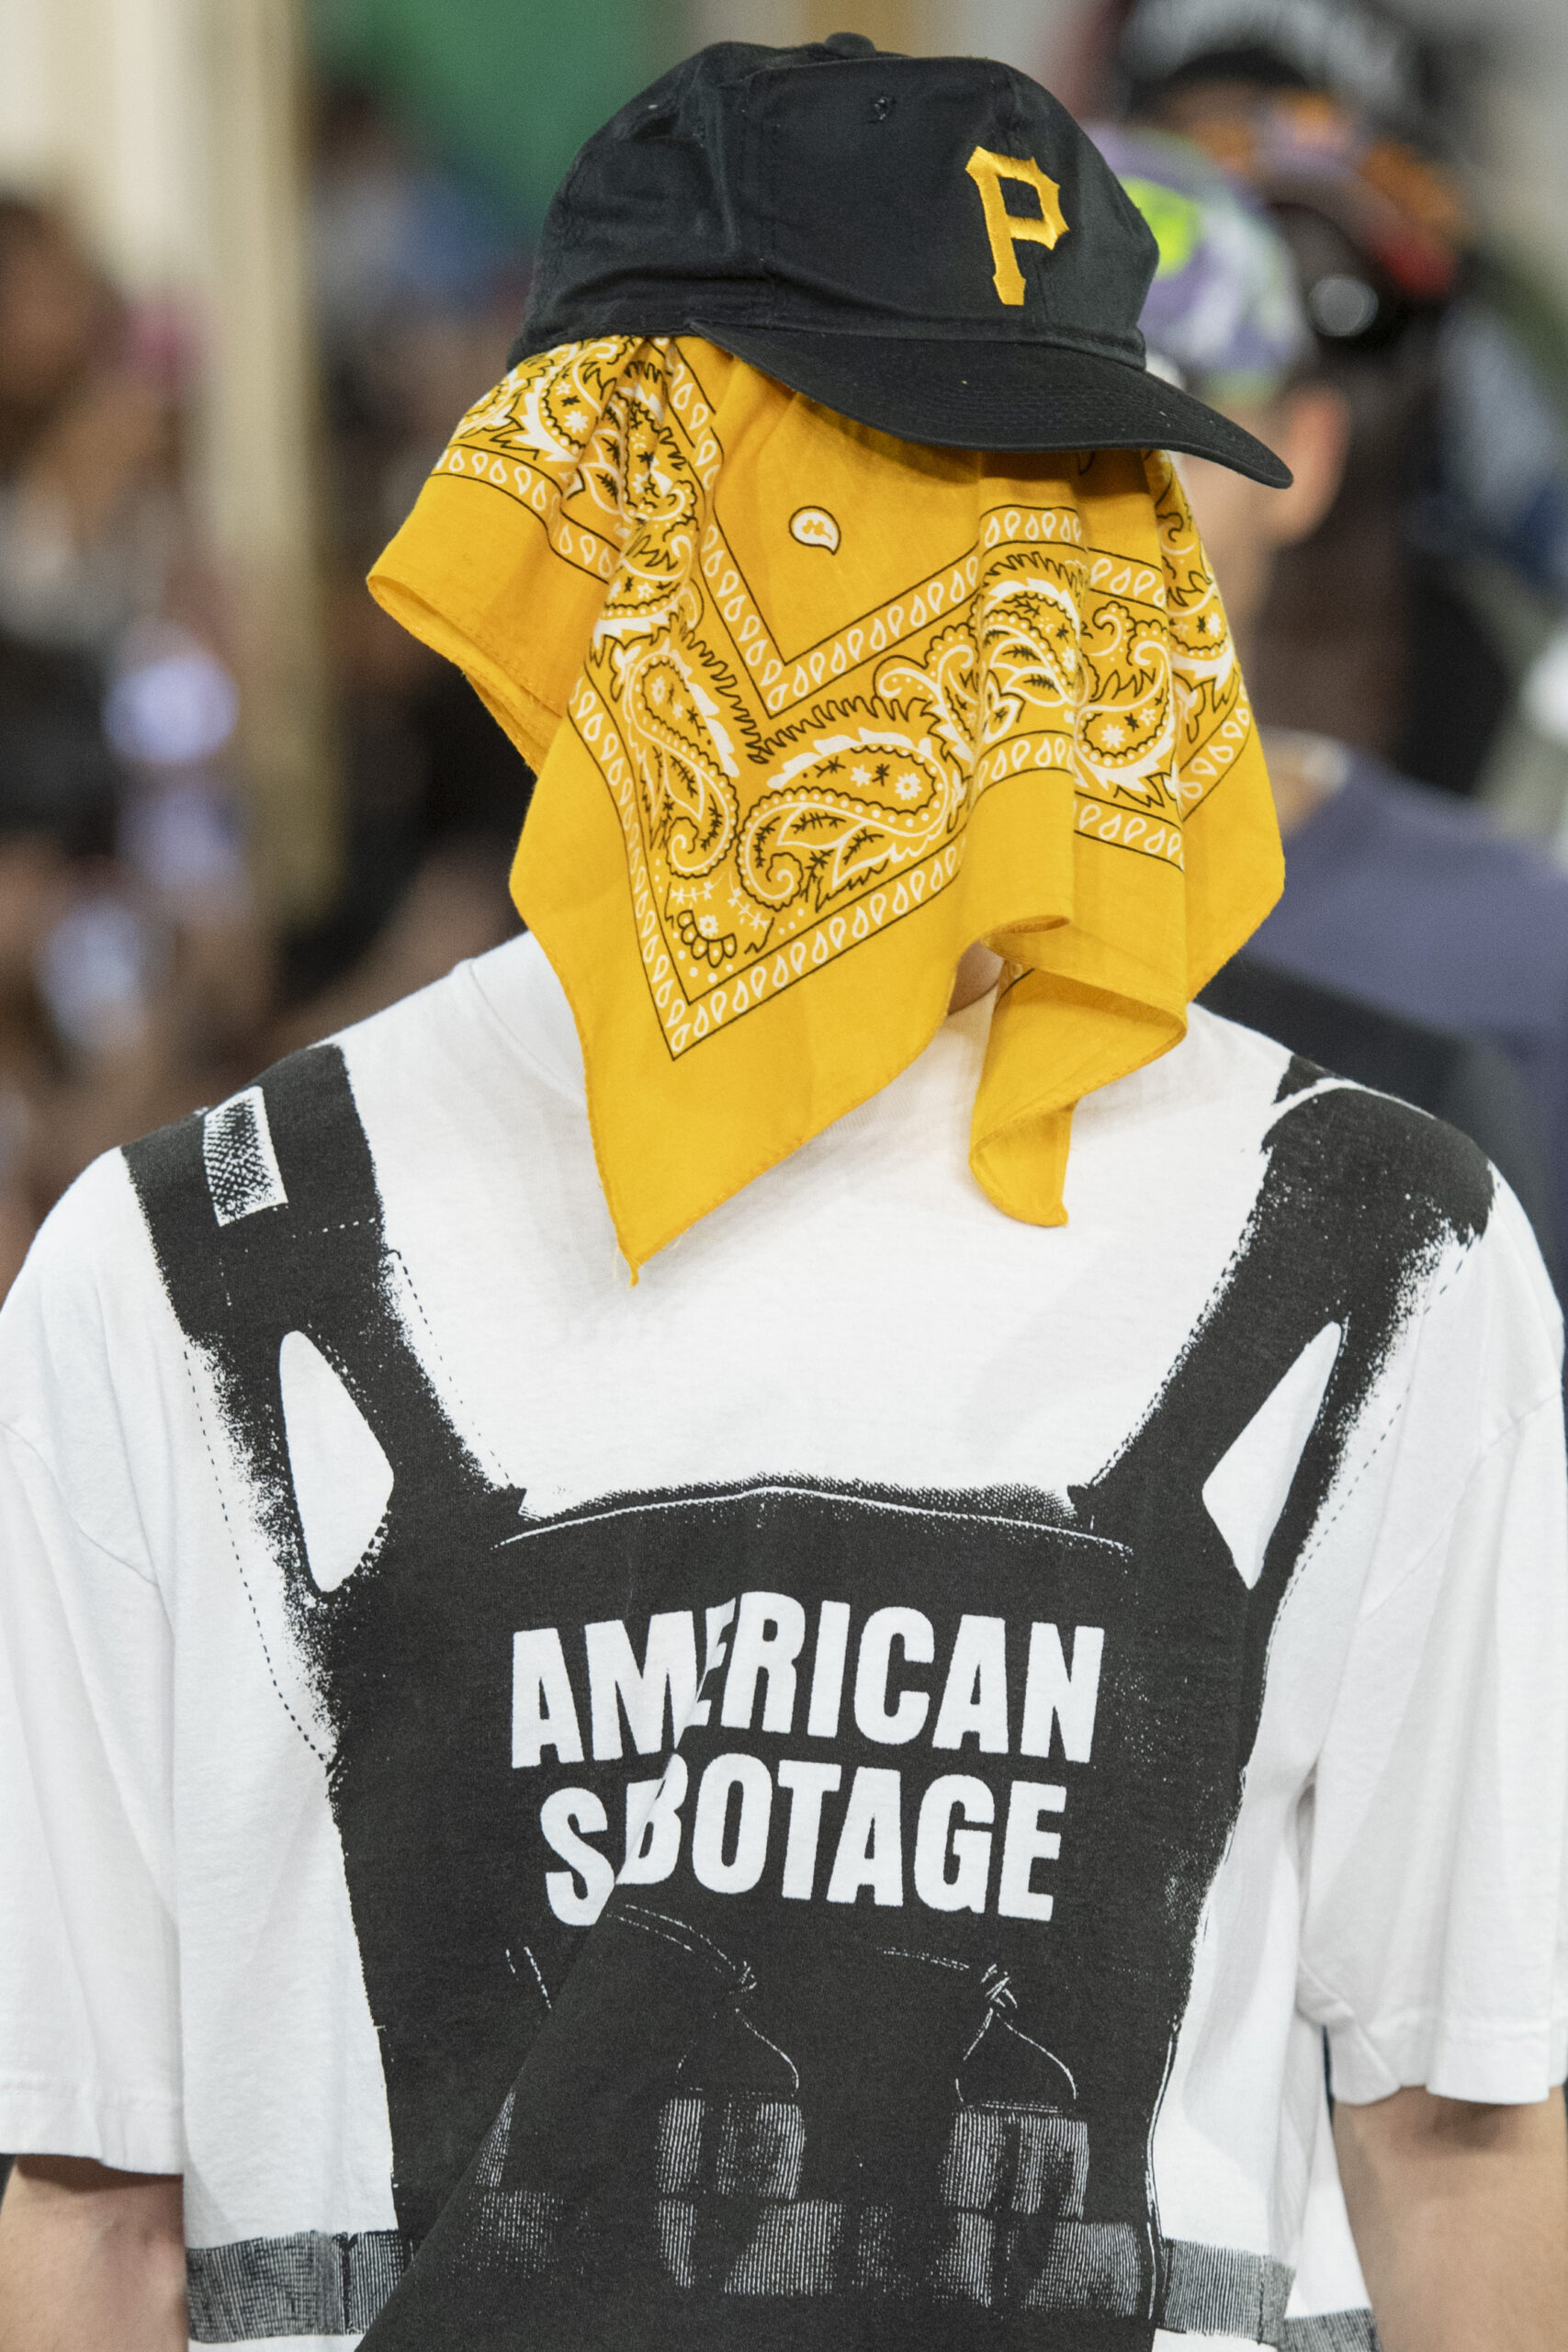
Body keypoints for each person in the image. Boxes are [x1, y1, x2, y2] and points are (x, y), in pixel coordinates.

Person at [2, 36, 1565, 2352]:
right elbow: (87, 2194)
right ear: (605, 504)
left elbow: (1457, 2137)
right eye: (887, 481)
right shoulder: (186, 1275)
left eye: (1066, 486)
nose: (1009, 599)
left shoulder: (1374, 1257)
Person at [1090, 121, 1559, 1278]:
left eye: (1166, 425)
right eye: (1003, 430)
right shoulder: (770, 914)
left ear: (1301, 450)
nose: (1087, 500)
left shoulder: (1518, 950)